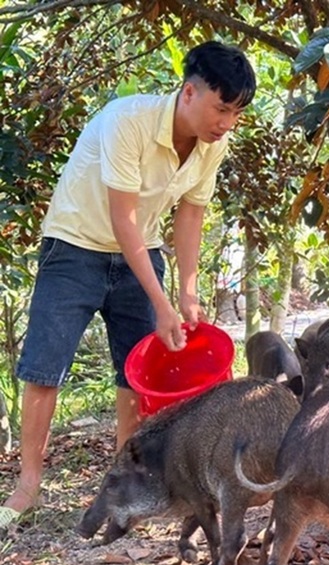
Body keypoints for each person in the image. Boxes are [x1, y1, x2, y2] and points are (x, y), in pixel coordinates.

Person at [0, 41, 256, 528]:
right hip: (74, 245)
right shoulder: (127, 121)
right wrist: (160, 303)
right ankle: (27, 487)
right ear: (188, 93)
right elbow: (124, 219)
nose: (226, 123)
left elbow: (192, 214)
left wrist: (186, 289)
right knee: (44, 367)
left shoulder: (211, 146)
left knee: (134, 374)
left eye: (236, 113)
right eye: (221, 108)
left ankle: (124, 481)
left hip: (141, 253)